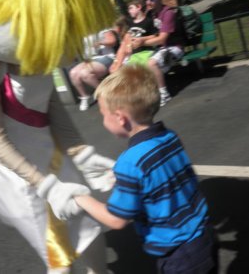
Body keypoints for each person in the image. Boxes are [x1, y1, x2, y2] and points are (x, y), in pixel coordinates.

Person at [0, 0, 117, 273]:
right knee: (58, 255)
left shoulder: (38, 50)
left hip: (51, 154)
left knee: (89, 229)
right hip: (15, 173)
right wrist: (44, 185)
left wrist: (82, 153)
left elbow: (53, 110)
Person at [74, 64, 217, 274]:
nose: (102, 120)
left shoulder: (130, 162)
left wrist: (80, 198)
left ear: (120, 118)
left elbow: (116, 219)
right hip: (204, 236)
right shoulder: (169, 137)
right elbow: (163, 179)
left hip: (178, 255)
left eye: (103, 114)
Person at [131, 0, 186, 107]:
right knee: (138, 63)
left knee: (152, 64)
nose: (148, 2)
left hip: (174, 47)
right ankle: (146, 94)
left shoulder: (168, 13)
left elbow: (162, 38)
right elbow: (154, 35)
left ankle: (164, 94)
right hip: (161, 48)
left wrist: (142, 42)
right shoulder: (152, 14)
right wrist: (141, 39)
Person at [69, 17, 129, 111]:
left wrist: (100, 42)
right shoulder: (83, 33)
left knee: (85, 73)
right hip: (91, 59)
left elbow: (112, 41)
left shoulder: (102, 30)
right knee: (73, 73)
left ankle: (104, 94)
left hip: (106, 58)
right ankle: (84, 96)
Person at [109, 0, 156, 73]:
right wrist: (117, 62)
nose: (129, 11)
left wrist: (142, 39)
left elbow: (154, 35)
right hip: (132, 55)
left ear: (139, 7)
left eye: (131, 8)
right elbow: (125, 42)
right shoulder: (131, 23)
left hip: (145, 52)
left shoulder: (148, 21)